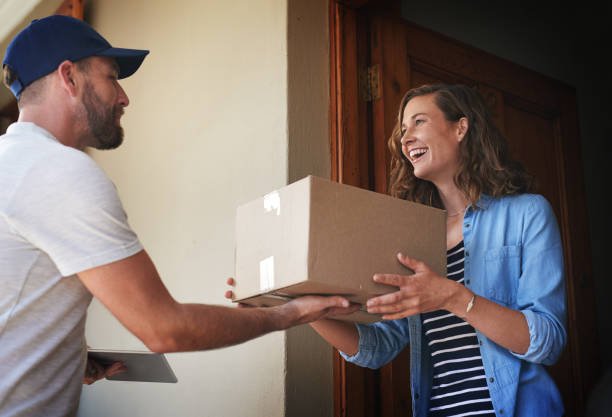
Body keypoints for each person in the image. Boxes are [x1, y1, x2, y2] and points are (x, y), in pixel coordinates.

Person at [0, 15, 357, 417]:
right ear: (69, 77)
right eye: (111, 76)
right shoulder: (59, 171)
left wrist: (57, 359)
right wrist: (288, 313)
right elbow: (164, 328)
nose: (123, 97)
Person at [250, 83, 566, 416]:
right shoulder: (410, 238)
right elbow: (378, 347)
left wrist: (451, 297)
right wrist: (301, 308)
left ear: (461, 127)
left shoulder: (527, 213)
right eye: (403, 129)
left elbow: (548, 342)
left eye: (419, 122)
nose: (405, 138)